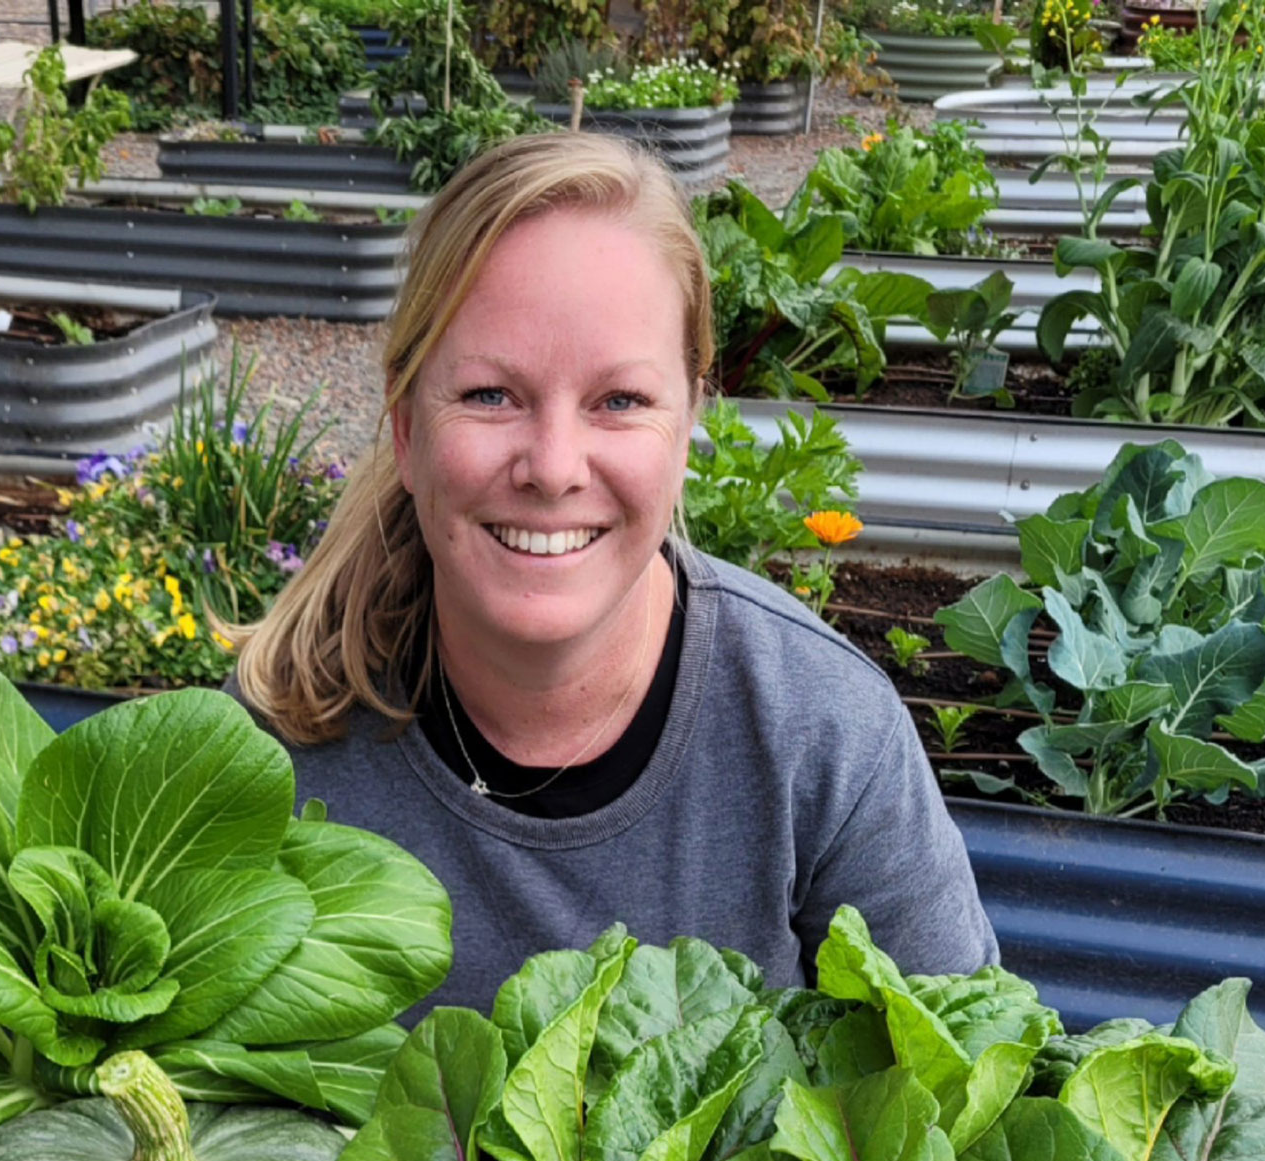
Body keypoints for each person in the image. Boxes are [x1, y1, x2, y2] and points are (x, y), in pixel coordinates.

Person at [233, 129, 999, 1012]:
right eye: (492, 395)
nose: (554, 466)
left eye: (620, 402)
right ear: (407, 430)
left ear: (687, 426)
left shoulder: (822, 737)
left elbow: (965, 1086)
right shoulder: (275, 749)